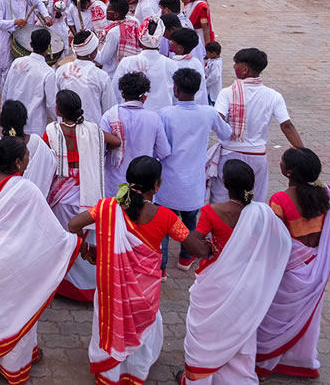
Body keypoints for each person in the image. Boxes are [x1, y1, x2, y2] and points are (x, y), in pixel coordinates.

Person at [0, 136, 76, 383]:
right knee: (18, 308)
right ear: (19, 162)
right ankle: (13, 365)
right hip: (14, 261)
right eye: (27, 158)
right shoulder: (27, 189)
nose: (29, 162)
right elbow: (48, 230)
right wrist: (76, 244)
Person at [69, 157, 189, 384]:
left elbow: (73, 225)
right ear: (157, 185)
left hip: (110, 293)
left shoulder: (106, 207)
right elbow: (193, 245)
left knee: (110, 325)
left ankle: (110, 374)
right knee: (144, 329)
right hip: (144, 296)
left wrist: (87, 249)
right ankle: (134, 373)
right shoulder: (166, 217)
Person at [178, 160, 291, 384]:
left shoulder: (211, 211)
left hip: (215, 282)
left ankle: (200, 375)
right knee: (240, 334)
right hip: (246, 285)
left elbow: (196, 245)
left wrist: (206, 247)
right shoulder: (262, 214)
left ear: (226, 184)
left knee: (207, 333)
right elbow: (281, 242)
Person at [256, 147, 330, 378]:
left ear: (289, 173)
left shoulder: (280, 200)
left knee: (274, 316)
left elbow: (275, 240)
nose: (280, 163)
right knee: (306, 318)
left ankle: (264, 363)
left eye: (282, 161)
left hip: (288, 271)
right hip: (315, 269)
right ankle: (299, 361)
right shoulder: (327, 197)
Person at [155, 68, 232, 277]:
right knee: (190, 222)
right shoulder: (208, 113)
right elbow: (227, 133)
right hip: (193, 182)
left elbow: (160, 147)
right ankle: (185, 258)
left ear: (176, 90)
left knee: (163, 225)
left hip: (167, 181)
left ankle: (160, 268)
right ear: (198, 91)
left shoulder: (165, 113)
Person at [211, 47, 302, 204]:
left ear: (245, 69)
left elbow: (217, 120)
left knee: (222, 199)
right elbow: (287, 126)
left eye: (236, 64)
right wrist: (303, 152)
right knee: (253, 200)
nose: (234, 67)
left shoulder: (227, 93)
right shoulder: (274, 95)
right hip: (257, 157)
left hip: (229, 155)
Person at [42, 90, 105, 301]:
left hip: (60, 196)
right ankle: (87, 288)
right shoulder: (93, 130)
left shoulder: (51, 131)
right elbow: (114, 141)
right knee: (86, 236)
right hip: (87, 191)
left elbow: (44, 159)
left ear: (58, 110)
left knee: (63, 241)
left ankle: (61, 284)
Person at [100, 72, 170, 194]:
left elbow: (101, 149)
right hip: (144, 182)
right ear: (144, 96)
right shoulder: (154, 118)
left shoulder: (109, 116)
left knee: (116, 212)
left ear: (122, 94)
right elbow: (163, 151)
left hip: (115, 184)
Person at [0, 0, 53, 88]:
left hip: (22, 37)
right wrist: (14, 22)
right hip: (7, 38)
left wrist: (46, 16)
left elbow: (38, 2)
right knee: (7, 70)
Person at [111, 16, 177, 111]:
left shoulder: (127, 63)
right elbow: (176, 97)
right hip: (163, 117)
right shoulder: (171, 64)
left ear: (140, 36)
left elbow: (116, 93)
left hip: (132, 115)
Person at [1, 27, 57, 135]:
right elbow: (51, 104)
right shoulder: (48, 72)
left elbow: (6, 90)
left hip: (12, 122)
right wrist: (58, 122)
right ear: (49, 47)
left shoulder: (17, 62)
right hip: (34, 127)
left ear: (31, 44)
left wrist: (5, 114)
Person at [96, 0, 140, 78]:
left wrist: (91, 50)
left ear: (116, 14)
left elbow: (102, 59)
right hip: (132, 70)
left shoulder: (114, 33)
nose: (106, 13)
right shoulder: (134, 21)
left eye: (107, 11)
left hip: (114, 73)